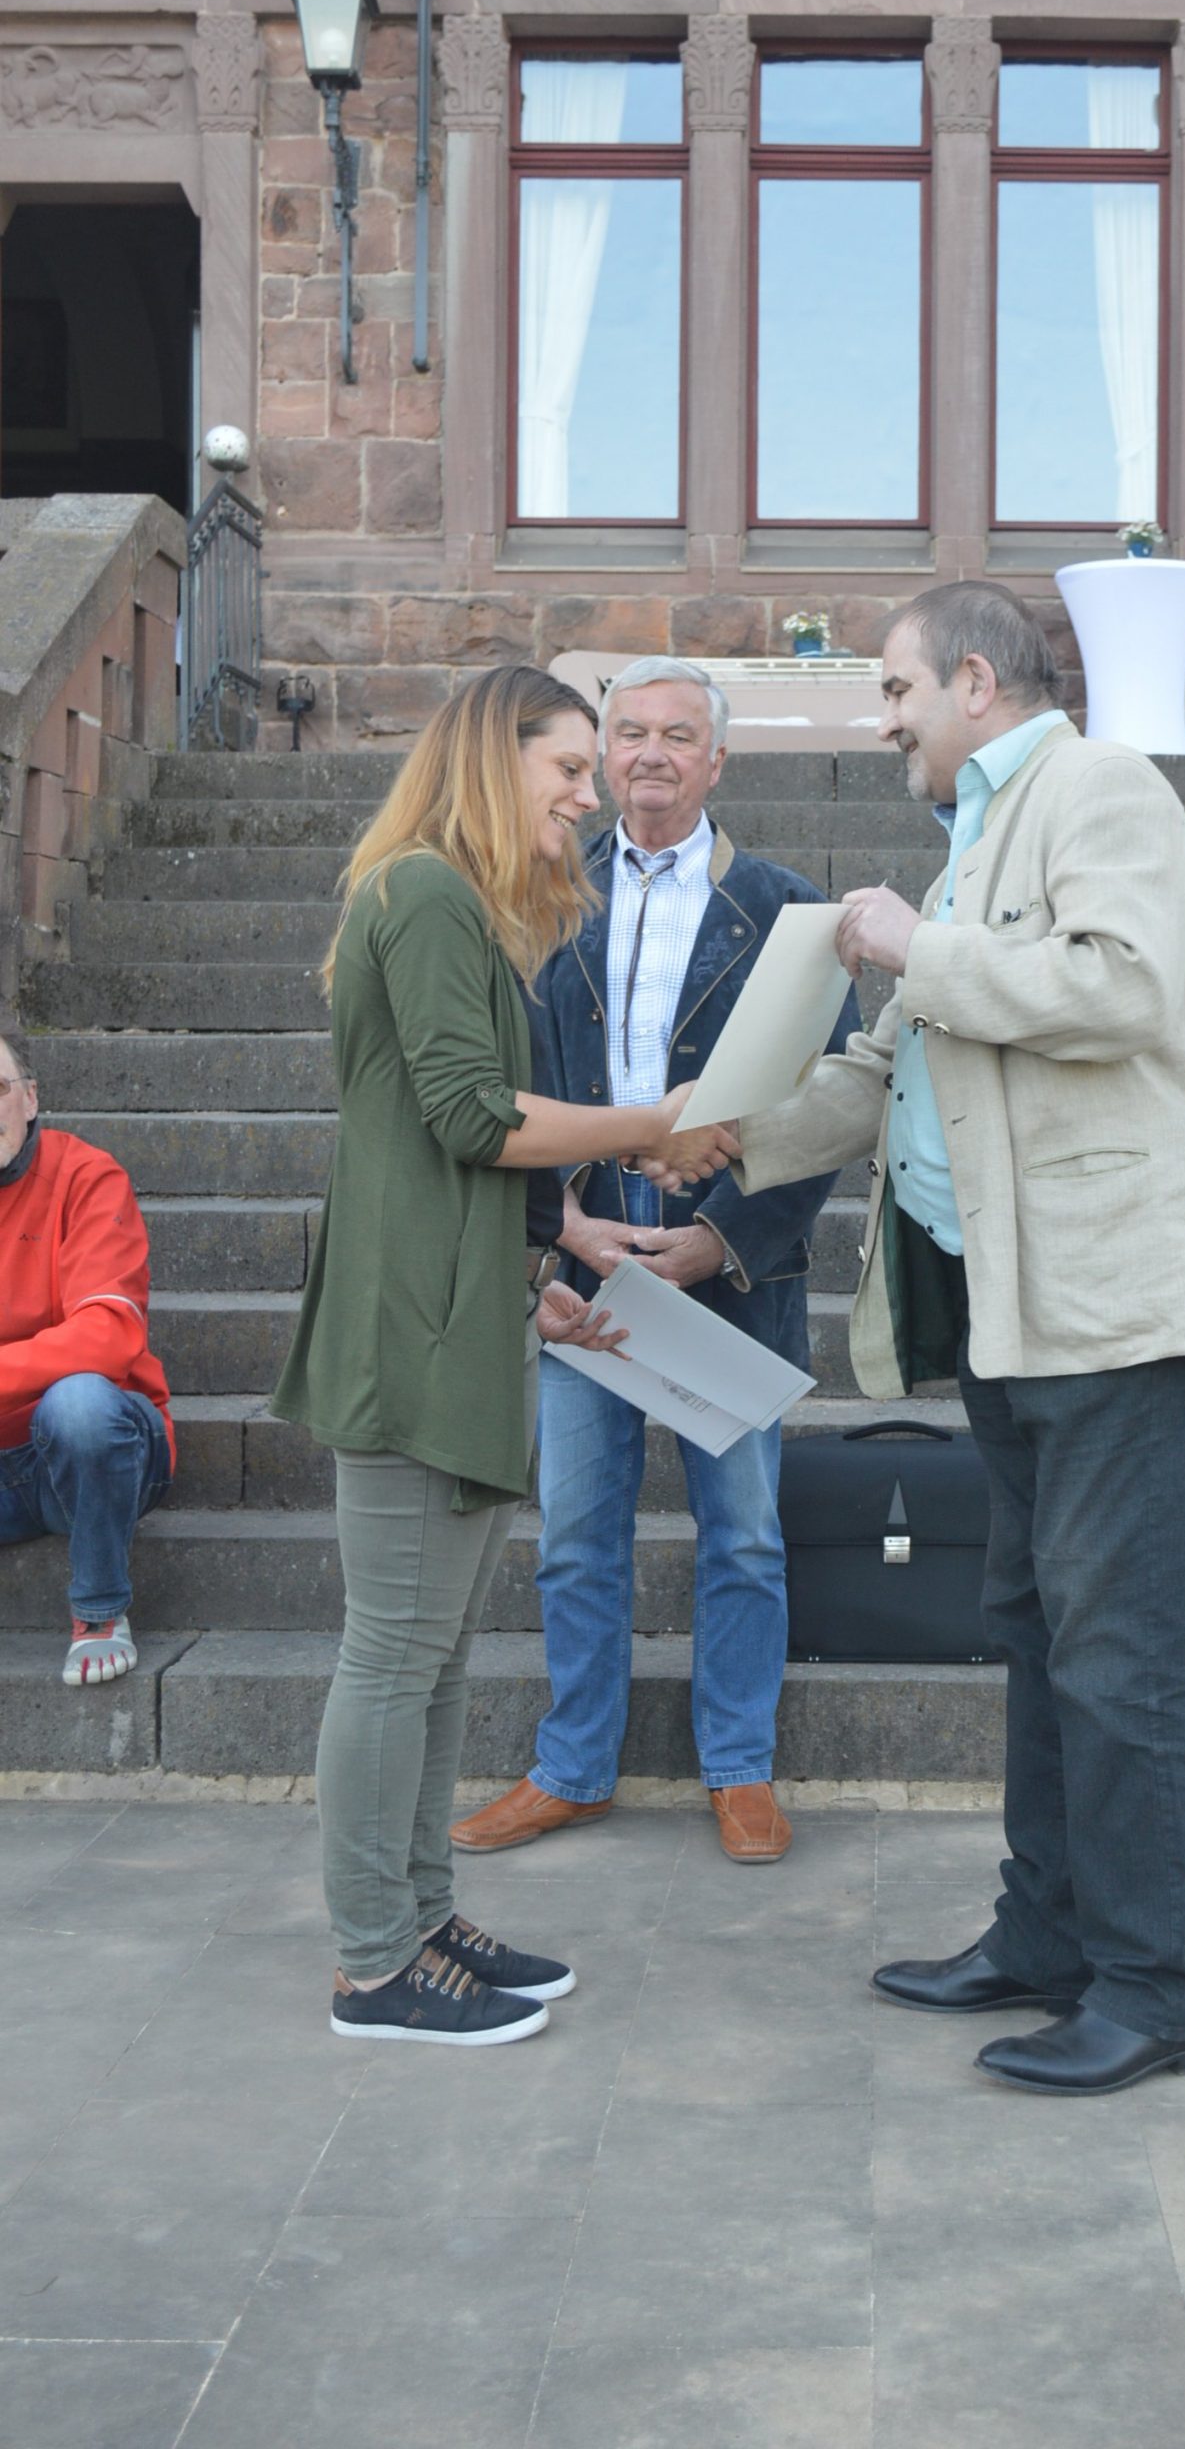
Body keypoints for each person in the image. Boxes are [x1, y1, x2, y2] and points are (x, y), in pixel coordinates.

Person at [729, 581, 1185, 2096]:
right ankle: (1048, 1936)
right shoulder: (974, 831)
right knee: (1037, 1628)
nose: (881, 720)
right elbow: (889, 1063)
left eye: (894, 689)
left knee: (1118, 1654)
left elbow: (1121, 987)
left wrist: (916, 946)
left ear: (974, 679)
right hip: (1013, 1308)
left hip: (1109, 1309)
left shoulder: (1103, 788)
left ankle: (1158, 1987)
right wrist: (716, 1138)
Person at [272, 667, 735, 2048]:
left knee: (435, 1656)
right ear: (492, 758)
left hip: (458, 1316)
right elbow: (473, 1117)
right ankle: (374, 1962)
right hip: (408, 1330)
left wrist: (538, 1278)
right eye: (568, 766)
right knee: (393, 1654)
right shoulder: (420, 891)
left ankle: (421, 1919)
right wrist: (649, 1122)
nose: (590, 795)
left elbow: (453, 1150)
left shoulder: (452, 903)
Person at [451, 656, 859, 1867]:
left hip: (728, 1253)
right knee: (577, 1530)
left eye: (678, 734)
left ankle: (739, 1766)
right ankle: (573, 1766)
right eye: (628, 732)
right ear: (601, 753)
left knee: (744, 1534)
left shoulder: (784, 907)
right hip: (581, 1243)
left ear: (716, 759)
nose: (649, 754)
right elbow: (497, 1079)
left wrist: (725, 1233)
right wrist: (559, 1224)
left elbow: (830, 1099)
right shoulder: (536, 887)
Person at [0, 1028, 174, 1688]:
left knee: (78, 1403)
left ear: (30, 1098)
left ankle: (100, 1611)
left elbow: (107, 1337)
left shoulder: (85, 1176)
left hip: (97, 1457)